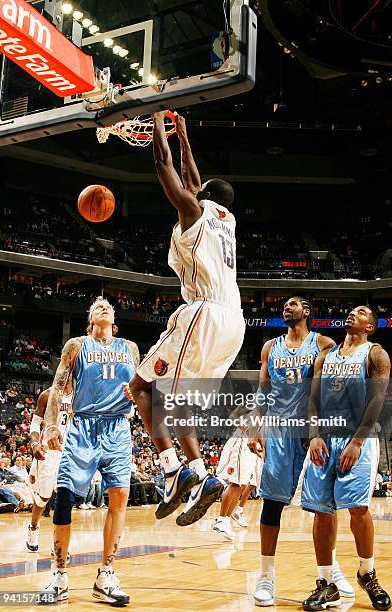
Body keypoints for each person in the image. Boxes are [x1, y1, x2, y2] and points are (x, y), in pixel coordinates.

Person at [125, 112, 245, 527]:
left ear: (204, 195)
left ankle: (187, 471)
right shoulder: (226, 221)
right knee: (168, 399)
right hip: (234, 322)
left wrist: (159, 122)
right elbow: (193, 179)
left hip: (205, 313)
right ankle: (182, 473)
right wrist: (186, 137)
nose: (191, 186)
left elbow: (165, 168)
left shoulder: (194, 211)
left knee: (145, 389)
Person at [249, 297, 354, 606]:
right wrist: (255, 427)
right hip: (279, 429)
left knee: (325, 506)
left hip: (313, 433)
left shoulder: (323, 343)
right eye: (285, 304)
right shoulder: (270, 347)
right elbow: (262, 390)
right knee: (272, 505)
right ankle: (266, 576)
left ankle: (330, 571)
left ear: (307, 312)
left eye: (295, 303)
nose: (287, 306)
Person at [42, 297, 139, 605]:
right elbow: (58, 387)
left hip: (117, 428)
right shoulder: (76, 345)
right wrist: (51, 425)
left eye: (107, 304)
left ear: (114, 319)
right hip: (83, 425)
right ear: (90, 318)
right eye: (97, 304)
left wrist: (134, 393)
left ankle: (106, 574)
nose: (103, 304)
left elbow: (141, 389)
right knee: (64, 498)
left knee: (119, 497)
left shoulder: (130, 348)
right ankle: (59, 574)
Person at [301, 305, 392, 611]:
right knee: (321, 511)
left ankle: (367, 573)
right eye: (352, 311)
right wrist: (313, 436)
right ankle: (326, 584)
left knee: (358, 508)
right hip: (324, 439)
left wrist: (357, 442)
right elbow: (311, 399)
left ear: (371, 326)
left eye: (362, 311)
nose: (353, 313)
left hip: (357, 437)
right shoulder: (326, 356)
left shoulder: (375, 354)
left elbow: (377, 399)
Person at [26, 386, 72, 552]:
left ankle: (59, 541)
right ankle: (33, 526)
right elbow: (35, 425)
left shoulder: (81, 394)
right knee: (43, 498)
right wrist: (35, 443)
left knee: (65, 497)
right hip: (49, 451)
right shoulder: (47, 394)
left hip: (69, 451)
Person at [213, 414, 262, 540]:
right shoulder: (256, 399)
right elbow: (233, 416)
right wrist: (248, 430)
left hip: (253, 444)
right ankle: (221, 520)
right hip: (242, 442)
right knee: (235, 483)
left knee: (242, 486)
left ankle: (225, 520)